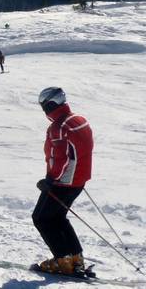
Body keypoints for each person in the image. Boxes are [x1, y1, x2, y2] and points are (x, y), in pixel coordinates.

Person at [32, 87, 93, 276]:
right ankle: (75, 259)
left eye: (43, 105)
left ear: (50, 105)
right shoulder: (79, 119)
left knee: (41, 218)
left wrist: (50, 180)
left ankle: (63, 262)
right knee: (57, 218)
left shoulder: (59, 127)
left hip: (62, 183)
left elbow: (62, 158)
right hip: (78, 181)